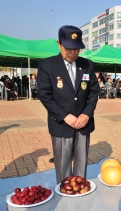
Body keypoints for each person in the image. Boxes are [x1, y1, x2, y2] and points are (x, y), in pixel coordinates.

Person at [37, 25, 100, 184]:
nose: (72, 52)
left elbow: (93, 91)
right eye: (68, 48)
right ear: (59, 44)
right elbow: (44, 95)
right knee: (63, 163)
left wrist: (86, 114)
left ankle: (79, 188)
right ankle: (64, 192)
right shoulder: (47, 65)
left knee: (81, 161)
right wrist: (65, 116)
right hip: (62, 122)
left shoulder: (87, 65)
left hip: (83, 122)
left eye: (77, 49)